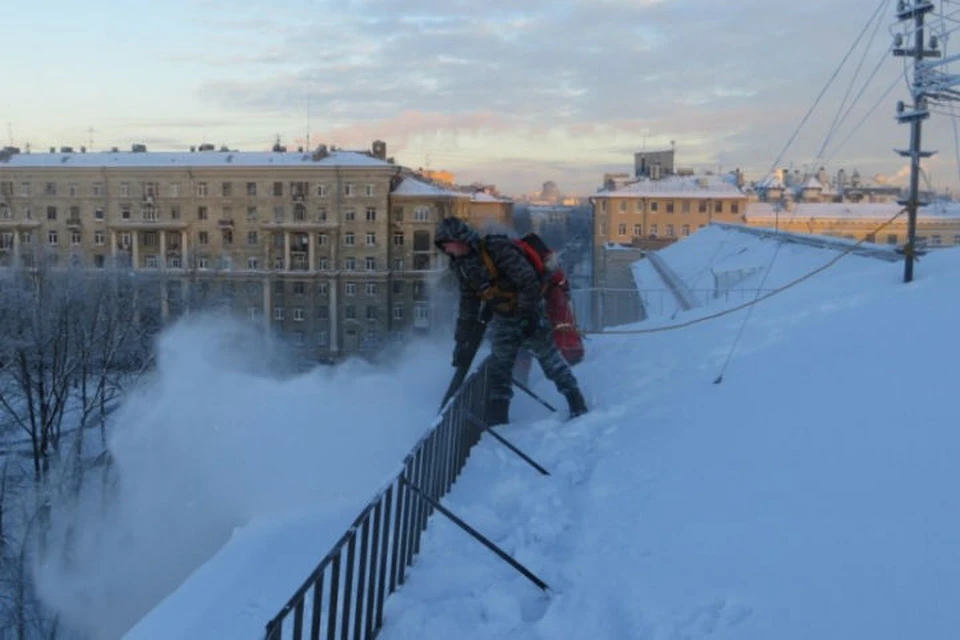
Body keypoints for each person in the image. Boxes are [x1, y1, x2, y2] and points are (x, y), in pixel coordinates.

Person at [434, 216, 588, 425]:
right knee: (500, 369)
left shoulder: (496, 249)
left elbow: (528, 282)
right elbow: (468, 306)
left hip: (530, 313)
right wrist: (461, 342)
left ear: (459, 239)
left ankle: (576, 402)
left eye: (447, 244)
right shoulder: (462, 267)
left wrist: (527, 316)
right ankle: (499, 420)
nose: (446, 250)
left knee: (549, 360)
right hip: (504, 318)